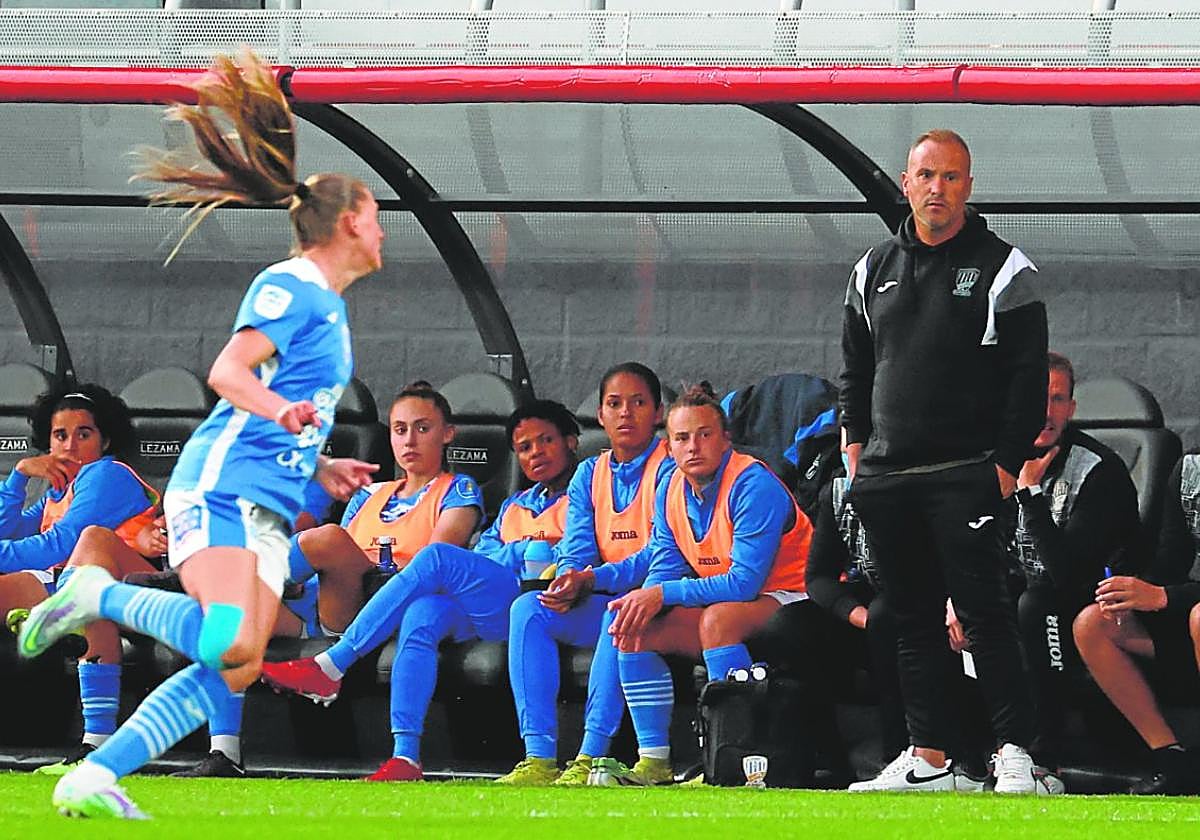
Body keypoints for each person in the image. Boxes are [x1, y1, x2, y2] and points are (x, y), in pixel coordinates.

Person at [17, 50, 379, 819]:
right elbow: (227, 372)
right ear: (348, 223)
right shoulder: (293, 285)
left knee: (237, 663)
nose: (381, 227)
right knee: (227, 641)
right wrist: (282, 415)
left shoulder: (327, 306)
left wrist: (322, 469)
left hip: (267, 501)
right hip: (221, 490)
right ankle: (95, 591)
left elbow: (272, 408)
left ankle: (95, 772)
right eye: (374, 214)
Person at [839, 129, 1050, 793]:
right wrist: (854, 452)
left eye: (952, 177)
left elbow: (1027, 378)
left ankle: (1017, 754)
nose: (938, 189)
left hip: (968, 474)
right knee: (912, 620)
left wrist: (1006, 465)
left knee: (986, 615)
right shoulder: (871, 269)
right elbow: (855, 368)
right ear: (906, 183)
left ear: (969, 185)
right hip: (888, 478)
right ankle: (929, 760)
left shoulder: (1005, 269)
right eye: (926, 175)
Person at [176, 380, 484, 778]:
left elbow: (433, 565)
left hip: (379, 606)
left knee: (328, 538)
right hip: (323, 601)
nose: (410, 440)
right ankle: (225, 753)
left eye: (423, 428)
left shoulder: (458, 490)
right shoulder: (368, 494)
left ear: (447, 434)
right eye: (400, 429)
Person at [260, 399, 581, 781]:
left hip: (531, 603)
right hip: (484, 600)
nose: (535, 453)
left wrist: (524, 551)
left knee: (437, 559)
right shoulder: (515, 505)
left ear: (572, 443)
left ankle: (332, 665)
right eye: (525, 448)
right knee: (423, 613)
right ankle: (405, 756)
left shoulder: (584, 495)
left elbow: (572, 552)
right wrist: (519, 551)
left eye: (546, 441)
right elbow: (488, 551)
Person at [598, 383, 811, 786]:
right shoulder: (669, 489)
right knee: (632, 629)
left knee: (718, 621)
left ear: (726, 439)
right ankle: (654, 761)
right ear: (670, 447)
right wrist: (646, 601)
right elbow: (666, 562)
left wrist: (663, 593)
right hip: (741, 599)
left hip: (797, 595)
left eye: (705, 434)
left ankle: (733, 758)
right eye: (681, 437)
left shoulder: (752, 484)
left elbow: (744, 583)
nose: (693, 446)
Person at [495, 362, 673, 786]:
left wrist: (592, 580)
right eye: (615, 404)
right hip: (603, 597)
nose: (626, 413)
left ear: (658, 412)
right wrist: (569, 578)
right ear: (601, 414)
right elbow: (577, 547)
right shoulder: (589, 473)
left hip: (656, 601)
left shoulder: (671, 466)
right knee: (529, 610)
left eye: (638, 403)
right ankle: (538, 757)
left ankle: (590, 755)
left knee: (620, 611)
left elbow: (661, 553)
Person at [0, 385, 161, 774]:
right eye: (60, 435)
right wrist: (19, 476)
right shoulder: (60, 489)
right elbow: (10, 534)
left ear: (104, 440)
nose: (70, 445)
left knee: (86, 556)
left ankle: (96, 744)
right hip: (69, 585)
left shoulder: (107, 474)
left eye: (83, 434)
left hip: (138, 589)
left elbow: (61, 544)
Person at [1008, 351, 1142, 768]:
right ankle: (960, 750)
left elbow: (1067, 574)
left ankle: (1047, 749)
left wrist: (1029, 495)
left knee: (1038, 602)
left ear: (1072, 408)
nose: (1046, 413)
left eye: (1058, 400)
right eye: (1037, 399)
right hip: (1027, 591)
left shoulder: (1099, 470)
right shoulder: (996, 460)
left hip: (1092, 601)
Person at [1073, 452, 1200, 795]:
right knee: (1093, 623)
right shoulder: (1190, 468)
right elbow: (1172, 560)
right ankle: (1173, 760)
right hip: (1190, 619)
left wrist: (1163, 597)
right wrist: (1132, 595)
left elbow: (1168, 594)